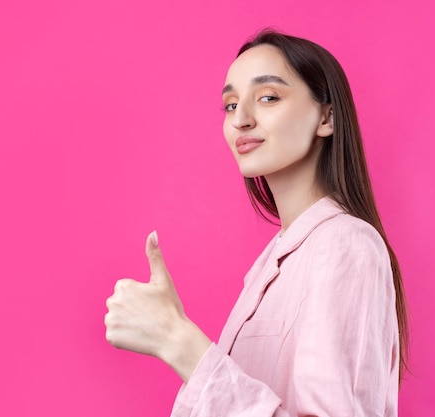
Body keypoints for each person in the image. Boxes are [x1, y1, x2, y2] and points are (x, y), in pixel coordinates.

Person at [104, 29, 409, 416]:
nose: (242, 120)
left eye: (268, 97)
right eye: (230, 105)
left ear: (327, 117)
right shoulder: (274, 260)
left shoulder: (345, 245)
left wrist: (178, 340)